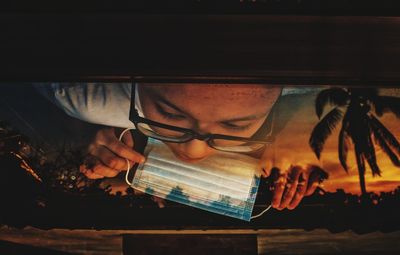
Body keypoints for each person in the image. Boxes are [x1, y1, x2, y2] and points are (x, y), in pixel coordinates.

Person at [35, 82, 326, 210]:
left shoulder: (312, 88)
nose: (193, 153)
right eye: (171, 114)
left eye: (235, 126)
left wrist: (298, 133)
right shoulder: (80, 95)